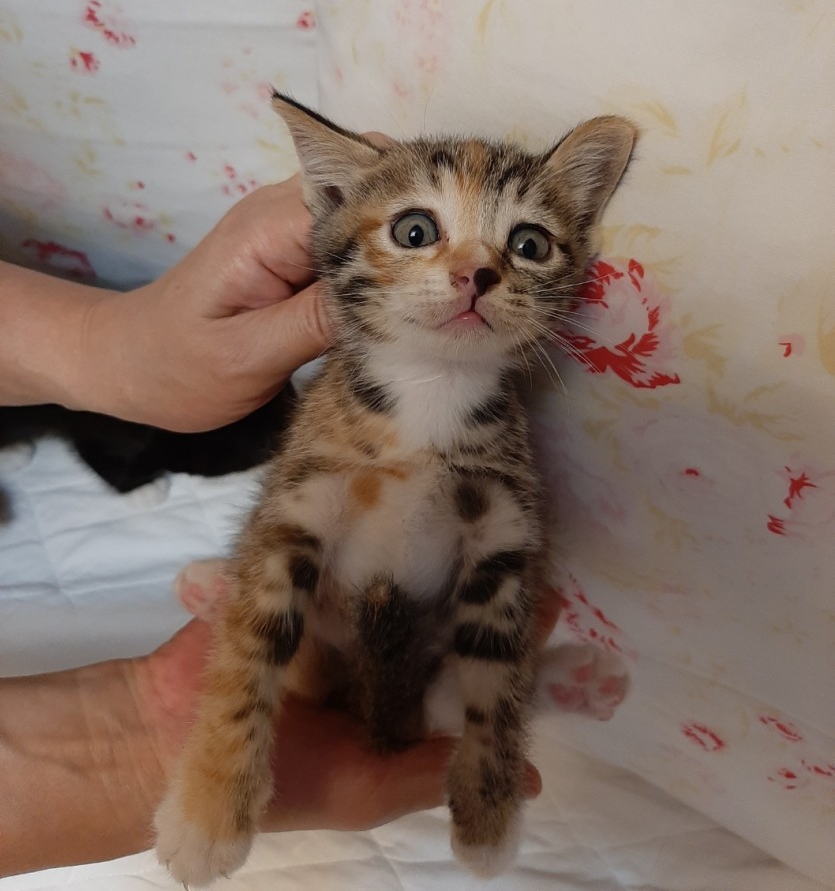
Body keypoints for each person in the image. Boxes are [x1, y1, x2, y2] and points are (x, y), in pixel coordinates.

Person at [0, 175, 545, 877]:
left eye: (527, 245)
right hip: (337, 608)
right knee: (287, 569)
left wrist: (491, 762)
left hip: (410, 617)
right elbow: (274, 565)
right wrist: (216, 765)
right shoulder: (337, 411)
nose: (475, 271)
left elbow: (499, 613)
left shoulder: (498, 434)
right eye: (416, 234)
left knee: (484, 604)